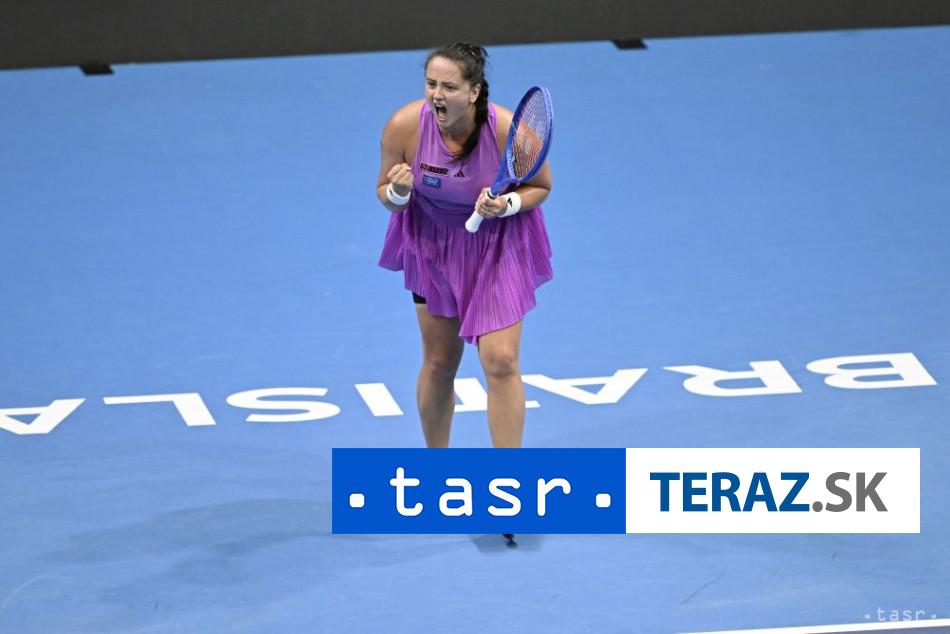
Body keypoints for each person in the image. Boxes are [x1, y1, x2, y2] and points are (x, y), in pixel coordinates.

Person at [377, 42, 553, 449]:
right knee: (440, 362)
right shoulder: (404, 127)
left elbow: (540, 186)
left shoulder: (508, 131)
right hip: (433, 246)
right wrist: (399, 192)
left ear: (474, 91)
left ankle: (508, 475)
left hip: (497, 245)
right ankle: (438, 468)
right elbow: (385, 192)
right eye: (431, 84)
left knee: (501, 361)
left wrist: (506, 204)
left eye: (449, 87)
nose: (437, 95)